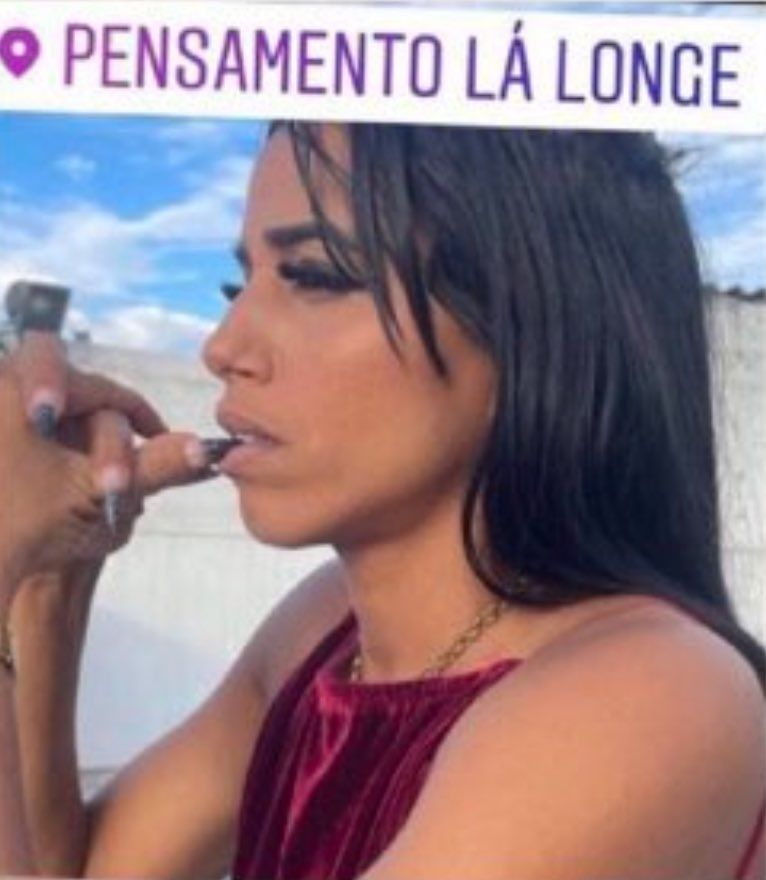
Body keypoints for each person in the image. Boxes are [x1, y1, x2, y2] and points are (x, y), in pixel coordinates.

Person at [0, 121, 764, 880]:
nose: (223, 347)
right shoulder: (327, 626)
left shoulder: (645, 699)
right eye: (240, 284)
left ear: (534, 328)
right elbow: (76, 871)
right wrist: (48, 581)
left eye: (315, 276)